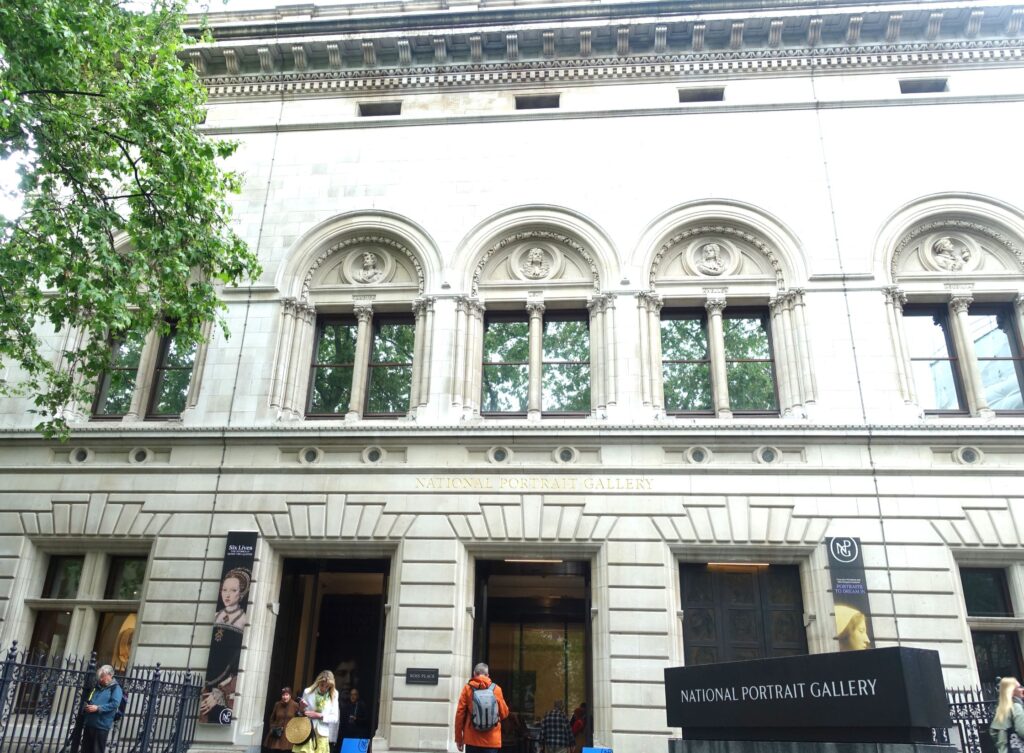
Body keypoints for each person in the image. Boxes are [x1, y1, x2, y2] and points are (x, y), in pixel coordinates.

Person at [454, 662, 509, 753]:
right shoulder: (497, 689)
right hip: (492, 740)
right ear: (487, 675)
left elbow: (460, 714)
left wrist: (459, 739)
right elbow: (504, 714)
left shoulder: (467, 689)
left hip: (472, 739)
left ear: (474, 674)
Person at [81, 664, 123, 753]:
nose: (100, 679)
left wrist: (98, 708)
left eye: (102, 677)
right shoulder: (97, 687)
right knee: (85, 750)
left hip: (101, 726)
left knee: (97, 750)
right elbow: (90, 699)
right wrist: (87, 706)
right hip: (90, 723)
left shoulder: (116, 688)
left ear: (110, 675)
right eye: (99, 677)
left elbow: (115, 704)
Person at [298, 670, 340, 753]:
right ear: (318, 682)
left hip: (323, 734)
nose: (324, 688)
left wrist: (319, 715)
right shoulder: (308, 691)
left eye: (327, 686)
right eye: (322, 685)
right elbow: (300, 714)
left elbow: (335, 718)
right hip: (307, 731)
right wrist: (301, 708)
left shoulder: (334, 694)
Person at [991, 677, 1024, 753]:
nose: (1022, 689)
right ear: (1011, 692)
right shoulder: (1016, 707)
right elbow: (1022, 730)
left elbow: (993, 733)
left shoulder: (1001, 709)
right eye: (1019, 687)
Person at [214, 567, 250, 632]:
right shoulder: (216, 615)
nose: (227, 595)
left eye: (233, 590)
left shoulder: (244, 619)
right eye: (224, 590)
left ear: (241, 592)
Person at [264, 686, 300, 752]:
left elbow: (298, 720)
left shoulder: (295, 705)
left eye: (287, 695)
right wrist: (272, 728)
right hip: (277, 735)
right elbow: (272, 718)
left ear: (290, 695)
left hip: (289, 736)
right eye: (283, 695)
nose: (285, 697)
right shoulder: (277, 704)